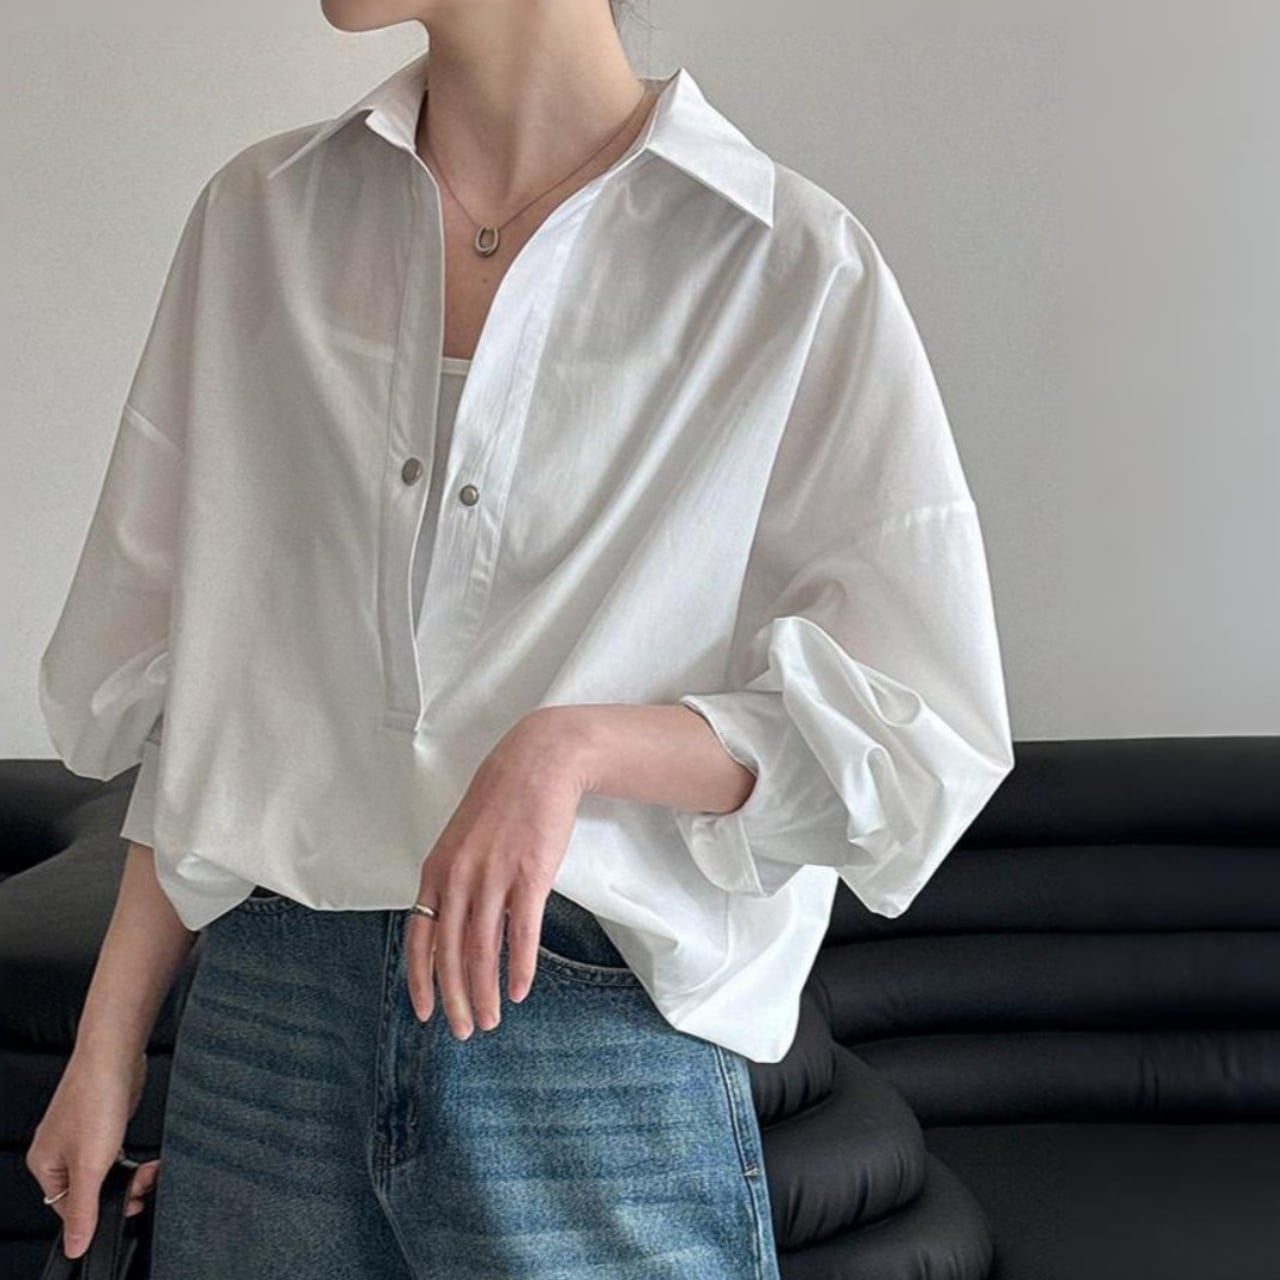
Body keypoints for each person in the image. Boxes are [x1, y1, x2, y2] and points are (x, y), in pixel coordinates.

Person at [26, 1, 1016, 1276]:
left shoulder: (781, 264)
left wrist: (574, 749)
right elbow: (211, 690)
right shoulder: (260, 222)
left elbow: (915, 729)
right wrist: (106, 1044)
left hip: (586, 1055)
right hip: (268, 1035)